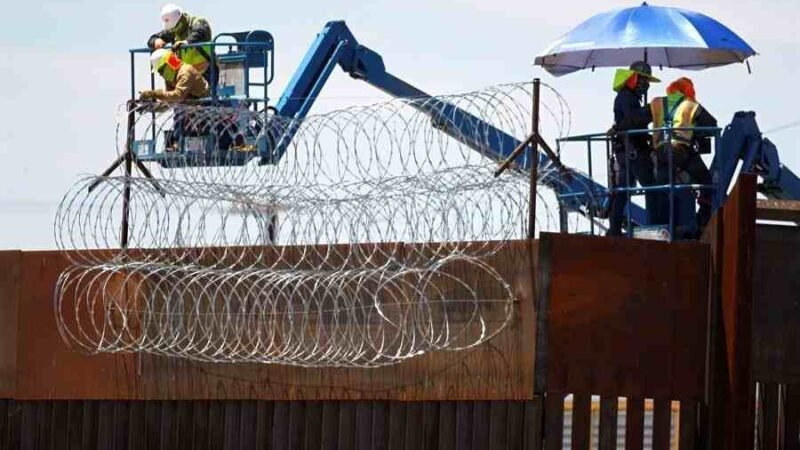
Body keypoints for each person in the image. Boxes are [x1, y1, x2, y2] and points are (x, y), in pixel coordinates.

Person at [649, 77, 716, 231]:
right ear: (688, 90)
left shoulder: (657, 103)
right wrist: (696, 133)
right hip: (680, 152)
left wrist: (619, 127)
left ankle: (661, 226)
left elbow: (638, 118)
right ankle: (704, 215)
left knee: (661, 188)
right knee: (706, 181)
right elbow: (712, 125)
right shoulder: (690, 105)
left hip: (661, 154)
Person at [607, 61, 663, 237]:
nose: (645, 85)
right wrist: (650, 109)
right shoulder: (626, 97)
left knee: (624, 190)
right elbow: (632, 121)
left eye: (647, 81)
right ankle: (657, 226)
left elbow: (630, 125)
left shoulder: (630, 97)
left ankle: (614, 230)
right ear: (634, 78)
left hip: (629, 149)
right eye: (643, 80)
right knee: (652, 188)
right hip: (633, 152)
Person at [147, 4, 214, 77]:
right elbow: (151, 40)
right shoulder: (173, 29)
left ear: (181, 20)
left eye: (175, 28)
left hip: (206, 70)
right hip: (187, 73)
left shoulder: (198, 22)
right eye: (172, 29)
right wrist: (156, 41)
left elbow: (200, 32)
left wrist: (186, 42)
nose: (173, 30)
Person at [139, 49, 209, 102]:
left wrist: (155, 94)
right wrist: (151, 107)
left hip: (204, 104)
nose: (160, 74)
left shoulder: (185, 72)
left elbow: (178, 95)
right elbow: (168, 101)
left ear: (168, 65)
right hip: (190, 106)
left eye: (161, 71)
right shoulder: (171, 78)